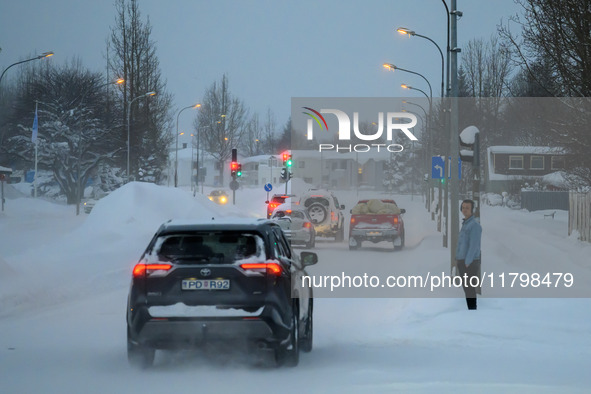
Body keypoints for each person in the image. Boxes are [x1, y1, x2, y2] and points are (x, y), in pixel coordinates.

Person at [456, 199, 482, 310]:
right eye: (463, 207)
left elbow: (474, 245)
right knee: (467, 288)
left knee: (469, 288)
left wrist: (468, 261)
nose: (465, 209)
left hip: (469, 263)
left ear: (472, 209)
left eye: (467, 208)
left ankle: (472, 309)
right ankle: (470, 309)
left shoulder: (474, 225)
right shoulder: (466, 224)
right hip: (462, 261)